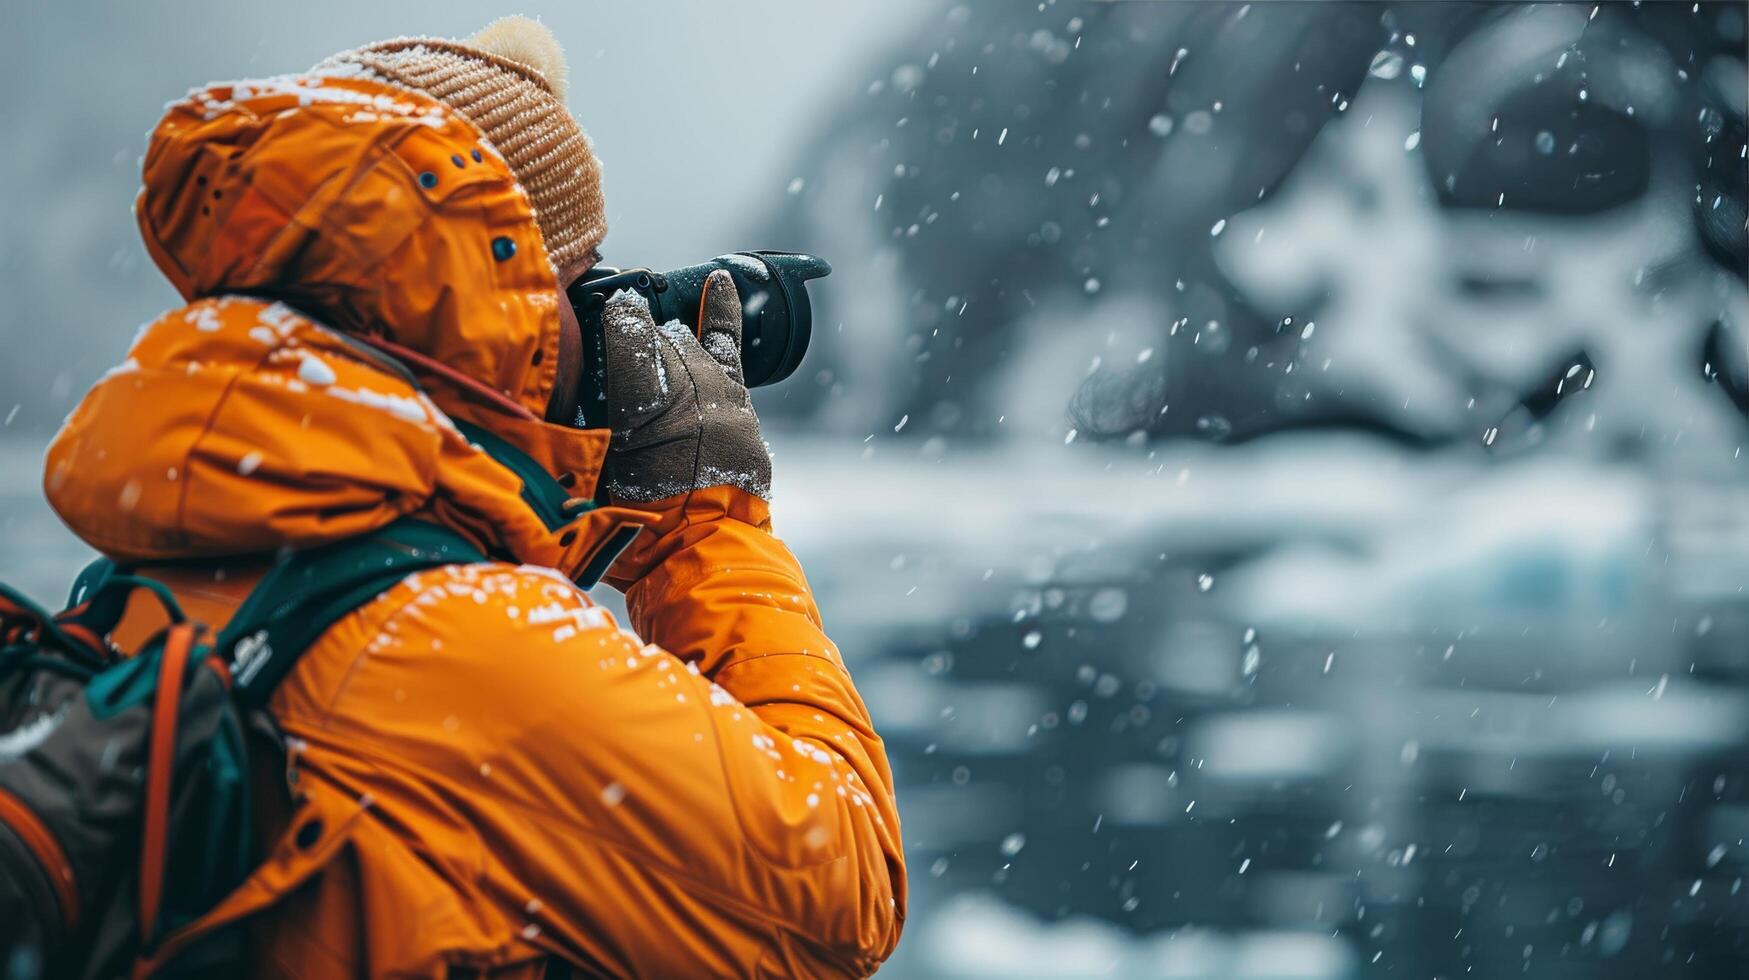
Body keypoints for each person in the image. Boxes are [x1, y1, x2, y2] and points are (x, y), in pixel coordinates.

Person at [32, 16, 905, 977]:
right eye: (580, 282)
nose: (599, 324)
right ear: (503, 309)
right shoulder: (454, 643)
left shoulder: (147, 573)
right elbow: (842, 896)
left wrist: (537, 503)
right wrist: (700, 522)